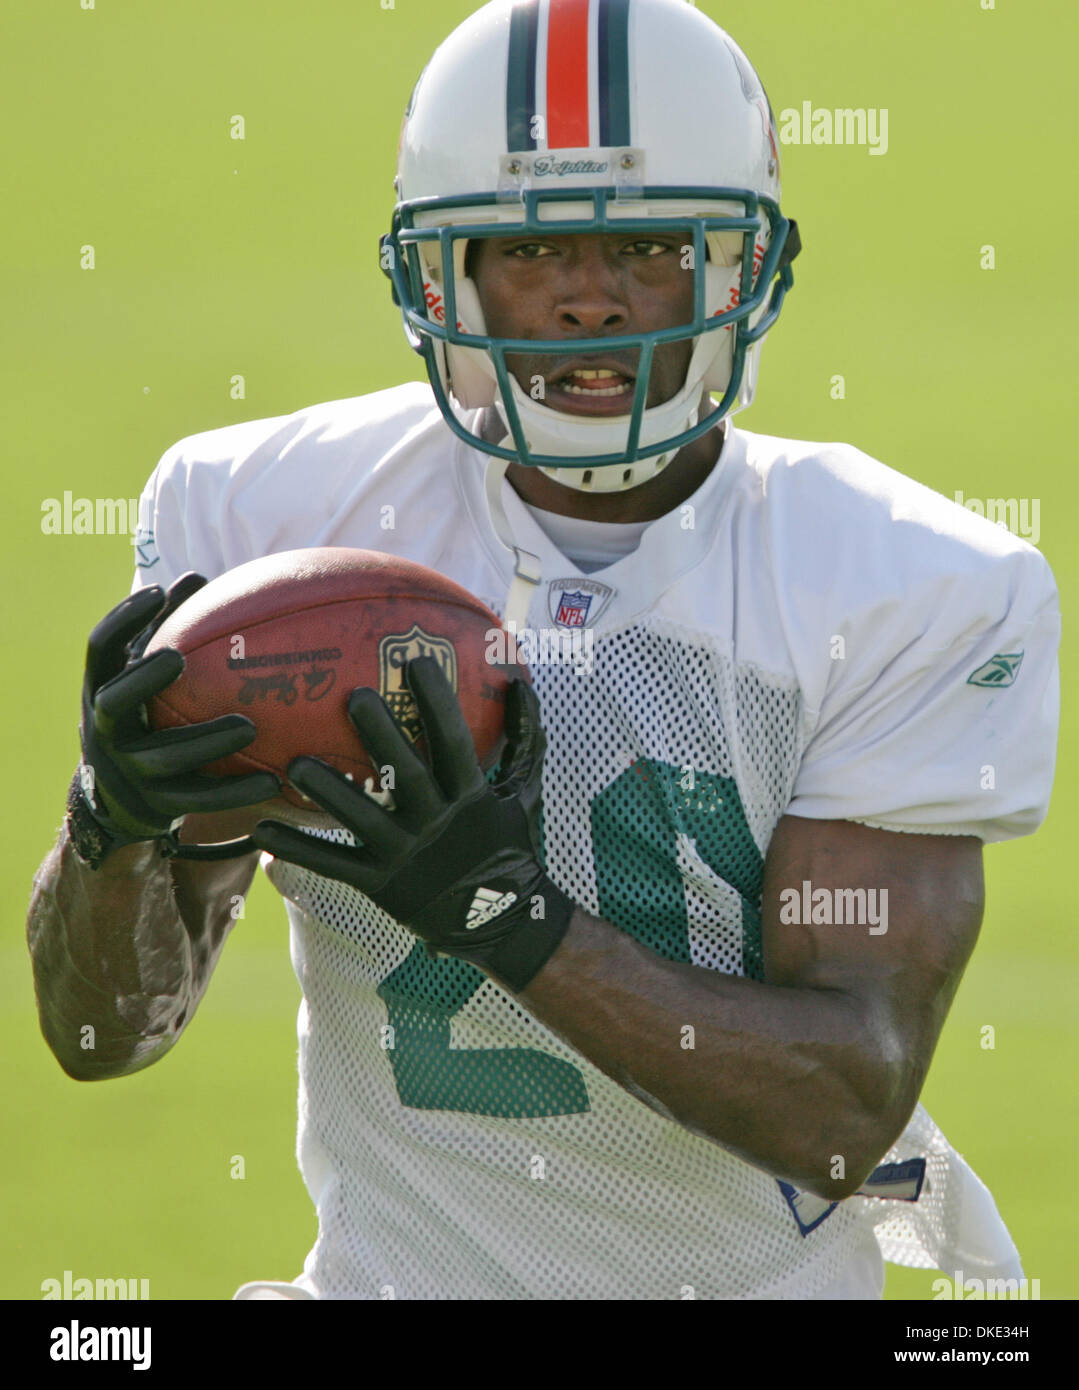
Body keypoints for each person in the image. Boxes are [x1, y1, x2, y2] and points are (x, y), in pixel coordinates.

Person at [28, 0, 1059, 1300]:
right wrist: (113, 825)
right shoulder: (264, 524)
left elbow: (840, 1109)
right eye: (528, 248)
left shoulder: (903, 585)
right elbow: (99, 1036)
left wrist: (509, 917)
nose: (585, 297)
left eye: (644, 246)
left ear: (742, 267)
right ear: (438, 277)